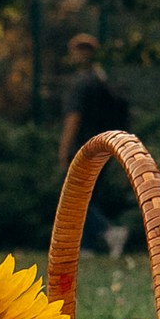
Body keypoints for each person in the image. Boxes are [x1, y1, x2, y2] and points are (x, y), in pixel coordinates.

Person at [57, 34, 136, 250]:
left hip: (83, 148)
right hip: (105, 147)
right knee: (87, 196)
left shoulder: (82, 83)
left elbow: (73, 118)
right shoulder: (102, 81)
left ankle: (109, 231)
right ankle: (86, 247)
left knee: (74, 199)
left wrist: (64, 151)